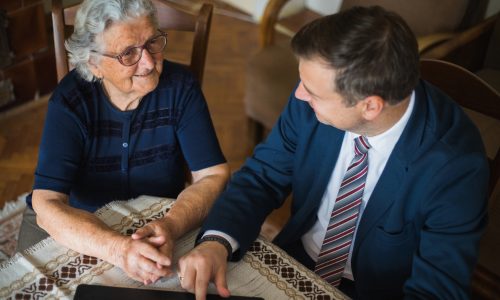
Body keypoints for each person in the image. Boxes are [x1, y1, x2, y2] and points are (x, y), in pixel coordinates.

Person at [176, 6, 490, 300]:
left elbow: (436, 290)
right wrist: (217, 241)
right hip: (294, 262)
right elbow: (262, 177)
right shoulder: (310, 100)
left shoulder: (456, 168)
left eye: (312, 92)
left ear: (370, 106)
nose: (299, 94)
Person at [16, 0, 230, 286]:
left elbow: (214, 175)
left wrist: (171, 225)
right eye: (129, 53)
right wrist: (118, 249)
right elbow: (47, 202)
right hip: (82, 224)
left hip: (159, 220)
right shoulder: (71, 101)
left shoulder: (181, 88)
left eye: (153, 42)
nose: (150, 62)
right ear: (94, 63)